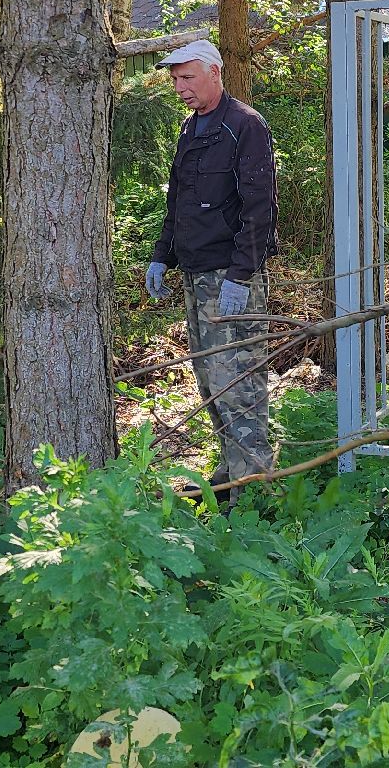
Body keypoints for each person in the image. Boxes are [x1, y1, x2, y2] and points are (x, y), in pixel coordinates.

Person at [143, 39, 279, 490]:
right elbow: (177, 200)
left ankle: (254, 484)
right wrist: (162, 256)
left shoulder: (245, 125)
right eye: (175, 79)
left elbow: (259, 207)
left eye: (187, 77)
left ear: (215, 73)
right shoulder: (191, 129)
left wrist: (241, 275)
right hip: (195, 273)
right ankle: (228, 475)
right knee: (209, 378)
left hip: (230, 275)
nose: (180, 87)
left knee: (238, 379)